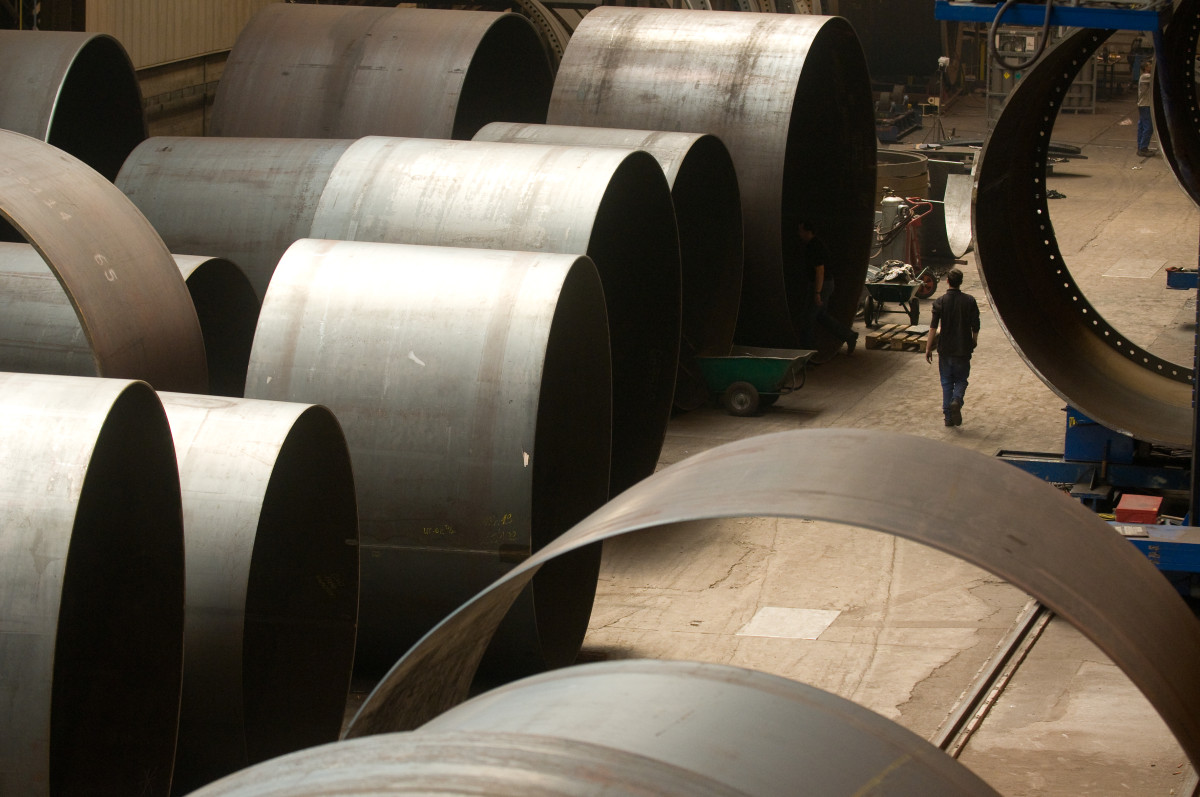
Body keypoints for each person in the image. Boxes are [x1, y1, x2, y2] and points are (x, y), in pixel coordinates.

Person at [925, 267, 979, 427]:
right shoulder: (969, 301)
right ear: (961, 282)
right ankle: (956, 400)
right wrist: (974, 340)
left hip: (945, 349)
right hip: (963, 348)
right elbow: (976, 325)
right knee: (961, 380)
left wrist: (928, 348)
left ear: (947, 281)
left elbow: (933, 327)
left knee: (946, 382)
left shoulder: (940, 301)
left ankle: (948, 417)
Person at [796, 219, 858, 356]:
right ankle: (848, 335)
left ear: (808, 231)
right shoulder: (815, 244)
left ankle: (807, 354)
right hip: (826, 283)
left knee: (808, 319)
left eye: (801, 230)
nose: (799, 233)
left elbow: (820, 271)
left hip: (821, 284)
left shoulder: (814, 247)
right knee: (821, 316)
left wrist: (817, 292)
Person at [1137, 59, 1157, 157]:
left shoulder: (1145, 76)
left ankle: (1141, 147)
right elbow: (1156, 78)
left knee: (1142, 126)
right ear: (1145, 68)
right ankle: (1143, 148)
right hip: (1146, 105)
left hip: (1143, 104)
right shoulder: (1146, 76)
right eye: (1149, 65)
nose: (1151, 66)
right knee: (1148, 127)